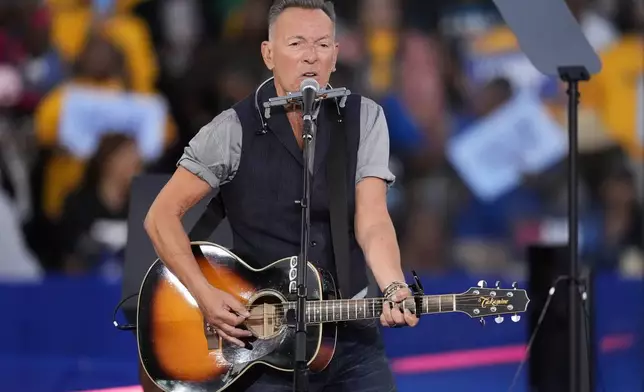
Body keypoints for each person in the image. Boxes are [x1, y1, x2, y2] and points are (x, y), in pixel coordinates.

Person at [143, 1, 417, 391]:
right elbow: (160, 216)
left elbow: (372, 219)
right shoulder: (232, 129)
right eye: (297, 44)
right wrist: (203, 294)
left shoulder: (365, 118)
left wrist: (392, 285)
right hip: (259, 342)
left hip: (351, 337)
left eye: (323, 45)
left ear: (336, 56)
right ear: (268, 54)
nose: (311, 56)